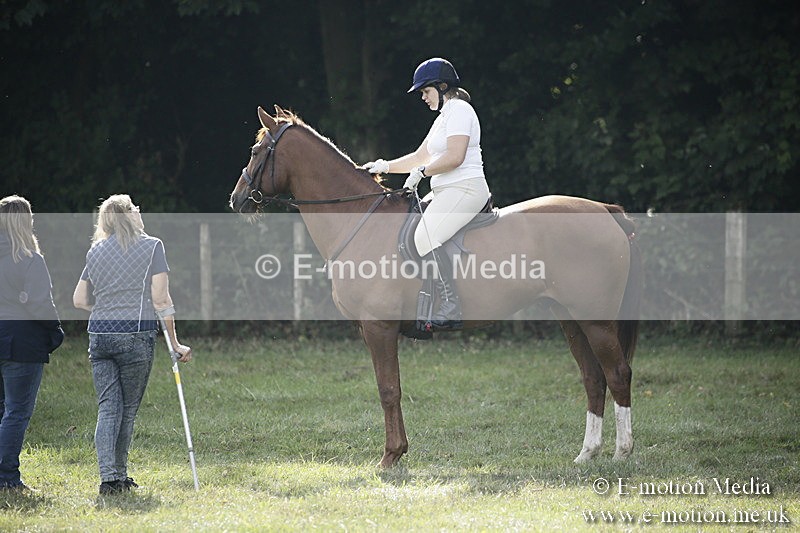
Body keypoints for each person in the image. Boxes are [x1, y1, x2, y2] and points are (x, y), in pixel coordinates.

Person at [72, 194, 191, 496]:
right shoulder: (152, 246)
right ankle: (117, 476)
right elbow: (161, 300)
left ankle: (111, 478)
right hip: (135, 335)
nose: (141, 212)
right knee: (126, 409)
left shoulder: (95, 251)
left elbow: (80, 300)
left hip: (99, 335)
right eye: (136, 208)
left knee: (108, 407)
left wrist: (106, 310)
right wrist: (175, 343)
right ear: (129, 216)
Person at [364, 57, 491, 329]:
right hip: (447, 191)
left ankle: (451, 305)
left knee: (425, 237)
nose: (422, 97)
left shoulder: (459, 110)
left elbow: (455, 157)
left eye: (425, 91)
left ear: (443, 86)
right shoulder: (443, 117)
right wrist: (385, 165)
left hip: (466, 187)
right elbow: (421, 155)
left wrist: (422, 173)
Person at [0, 195, 64, 491]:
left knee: (5, 411)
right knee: (16, 412)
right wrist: (55, 332)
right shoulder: (29, 259)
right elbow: (40, 303)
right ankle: (8, 478)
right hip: (22, 345)